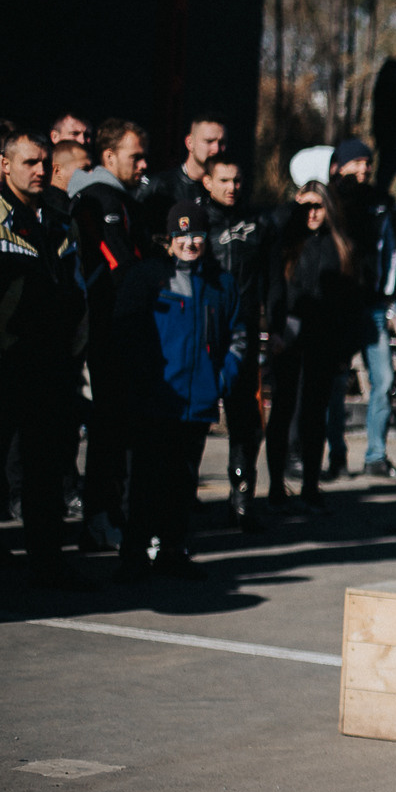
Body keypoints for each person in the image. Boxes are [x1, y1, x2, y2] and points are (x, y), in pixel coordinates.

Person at [0, 130, 88, 588]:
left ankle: (49, 564)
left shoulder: (63, 221)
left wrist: (78, 348)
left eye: (45, 162)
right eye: (28, 162)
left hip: (53, 368)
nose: (40, 170)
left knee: (46, 470)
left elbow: (79, 290)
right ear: (4, 166)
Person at [110, 201, 243, 581]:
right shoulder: (150, 277)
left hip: (197, 405)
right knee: (145, 480)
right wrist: (139, 381)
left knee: (183, 482)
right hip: (155, 402)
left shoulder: (222, 284)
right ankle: (134, 553)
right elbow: (127, 333)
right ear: (168, 239)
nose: (189, 242)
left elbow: (239, 338)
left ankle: (173, 550)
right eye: (181, 235)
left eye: (196, 234)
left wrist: (220, 381)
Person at [68, 119, 152, 552]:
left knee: (118, 431)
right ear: (109, 156)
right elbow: (119, 269)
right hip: (106, 336)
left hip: (120, 335)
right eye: (135, 156)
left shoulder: (123, 201)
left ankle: (108, 515)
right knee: (109, 431)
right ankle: (99, 519)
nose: (143, 164)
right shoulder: (98, 200)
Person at [264, 181, 360, 510]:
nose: (312, 214)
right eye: (305, 207)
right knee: (282, 409)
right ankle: (276, 484)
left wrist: (345, 348)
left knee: (314, 413)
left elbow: (350, 303)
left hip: (324, 337)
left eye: (318, 206)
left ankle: (310, 484)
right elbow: (274, 290)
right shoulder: (286, 243)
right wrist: (275, 329)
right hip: (287, 333)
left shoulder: (341, 246)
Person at [327, 139, 396, 483]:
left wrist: (388, 293)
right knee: (335, 382)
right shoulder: (330, 200)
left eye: (367, 163)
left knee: (384, 378)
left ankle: (376, 454)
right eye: (355, 162)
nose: (363, 169)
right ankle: (336, 456)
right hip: (341, 304)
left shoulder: (380, 205)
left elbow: (389, 249)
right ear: (339, 166)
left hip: (374, 303)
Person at [202, 157, 273, 530]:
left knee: (246, 420)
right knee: (194, 418)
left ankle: (242, 498)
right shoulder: (196, 223)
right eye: (224, 180)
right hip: (203, 333)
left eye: (238, 179)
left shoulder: (258, 225)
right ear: (207, 182)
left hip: (243, 333)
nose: (232, 187)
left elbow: (273, 277)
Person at [137, 115, 224, 220]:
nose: (216, 149)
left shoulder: (231, 188)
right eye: (209, 141)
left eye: (222, 142)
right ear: (190, 143)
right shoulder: (160, 186)